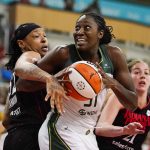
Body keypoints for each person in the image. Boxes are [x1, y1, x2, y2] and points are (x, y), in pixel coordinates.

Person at [17, 12, 139, 150]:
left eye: (86, 28)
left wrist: (113, 83)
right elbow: (21, 85)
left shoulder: (114, 55)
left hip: (88, 135)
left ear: (100, 33)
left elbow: (132, 104)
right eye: (77, 28)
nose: (79, 32)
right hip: (61, 130)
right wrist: (50, 79)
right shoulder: (63, 53)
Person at [2, 23, 67, 150]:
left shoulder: (13, 79)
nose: (43, 39)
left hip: (13, 138)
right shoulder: (32, 55)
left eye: (45, 35)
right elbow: (22, 67)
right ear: (22, 44)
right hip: (33, 136)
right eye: (36, 36)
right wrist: (49, 78)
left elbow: (6, 120)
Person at [96, 59, 150, 150]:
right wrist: (123, 130)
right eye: (137, 72)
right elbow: (100, 128)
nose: (142, 76)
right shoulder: (119, 97)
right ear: (128, 78)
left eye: (146, 73)